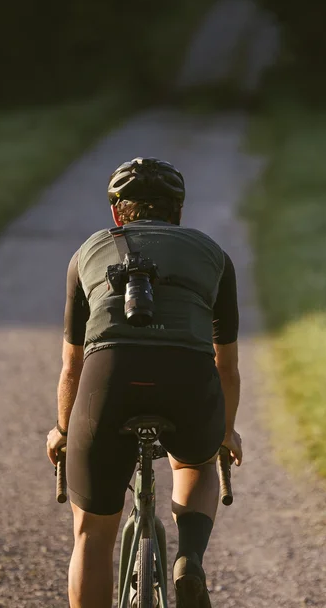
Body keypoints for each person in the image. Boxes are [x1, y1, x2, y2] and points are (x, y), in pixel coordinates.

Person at [45, 157, 243, 608]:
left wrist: (62, 429)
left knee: (92, 535)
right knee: (195, 463)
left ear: (117, 212)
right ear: (178, 211)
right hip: (188, 381)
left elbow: (72, 366)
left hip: (106, 380)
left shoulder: (88, 252)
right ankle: (188, 558)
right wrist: (224, 432)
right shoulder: (214, 255)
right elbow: (226, 366)